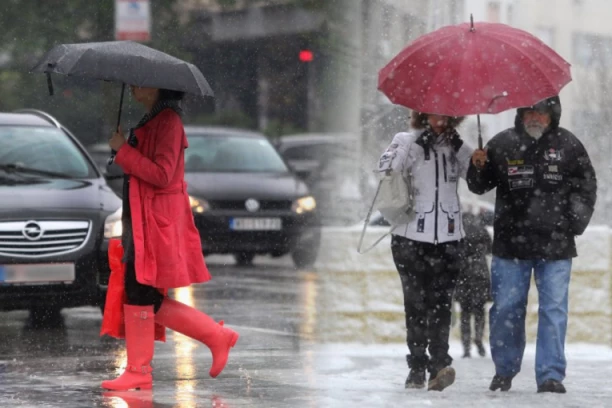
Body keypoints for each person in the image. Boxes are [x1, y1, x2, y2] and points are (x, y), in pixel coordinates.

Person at [101, 86, 239, 391]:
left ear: (156, 87)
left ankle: (210, 338)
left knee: (141, 291)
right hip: (140, 218)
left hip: (154, 220)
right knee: (138, 291)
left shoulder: (169, 122)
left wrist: (124, 150)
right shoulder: (155, 118)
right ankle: (141, 368)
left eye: (139, 83)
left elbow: (162, 174)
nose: (134, 88)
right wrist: (122, 150)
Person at [467, 96, 597, 394]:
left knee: (553, 310)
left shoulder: (569, 145)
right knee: (506, 309)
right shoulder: (501, 143)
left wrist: (572, 222)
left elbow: (586, 186)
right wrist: (477, 166)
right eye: (528, 112)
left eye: (540, 112)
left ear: (553, 115)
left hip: (556, 247)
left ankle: (550, 375)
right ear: (520, 114)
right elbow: (478, 185)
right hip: (511, 246)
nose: (534, 117)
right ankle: (504, 370)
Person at [377, 111, 474, 391]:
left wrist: (478, 161)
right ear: (422, 114)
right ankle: (417, 366)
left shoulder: (458, 146)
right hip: (410, 237)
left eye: (446, 115)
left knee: (443, 304)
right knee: (416, 304)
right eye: (433, 114)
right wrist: (414, 144)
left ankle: (439, 366)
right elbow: (386, 169)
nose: (440, 120)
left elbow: (479, 183)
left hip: (450, 236)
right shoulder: (406, 140)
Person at [454, 211, 492, 359]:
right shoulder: (481, 228)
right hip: (480, 273)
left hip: (463, 275)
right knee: (480, 311)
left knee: (464, 313)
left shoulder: (459, 229)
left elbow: (453, 251)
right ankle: (479, 340)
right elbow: (490, 249)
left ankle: (466, 346)